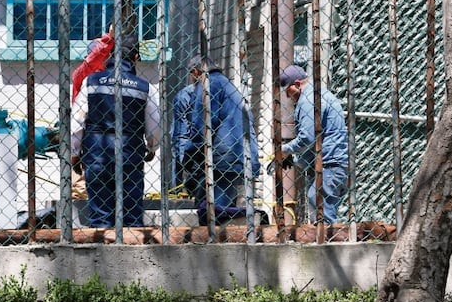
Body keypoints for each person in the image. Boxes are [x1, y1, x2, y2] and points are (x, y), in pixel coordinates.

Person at [71, 33, 161, 227]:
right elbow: (154, 125)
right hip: (130, 153)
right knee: (131, 216)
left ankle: (100, 252)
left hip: (97, 153)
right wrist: (152, 148)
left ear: (110, 55)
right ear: (135, 57)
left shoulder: (91, 82)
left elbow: (77, 122)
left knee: (100, 216)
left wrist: (74, 153)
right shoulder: (145, 87)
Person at [171, 56, 258, 214]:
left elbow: (201, 127)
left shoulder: (207, 85)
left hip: (224, 159)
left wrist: (188, 158)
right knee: (221, 210)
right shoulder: (227, 84)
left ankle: (216, 232)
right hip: (239, 155)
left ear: (195, 72)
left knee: (214, 212)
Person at [275, 64, 349, 223]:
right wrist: (295, 160)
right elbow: (317, 140)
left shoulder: (309, 99)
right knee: (321, 207)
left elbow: (308, 137)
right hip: (335, 164)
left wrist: (284, 150)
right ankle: (327, 240)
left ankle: (327, 244)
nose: (288, 97)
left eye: (289, 91)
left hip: (330, 165)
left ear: (297, 84)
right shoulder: (319, 94)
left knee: (321, 209)